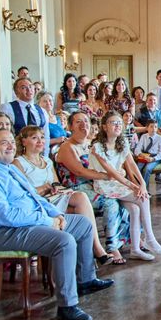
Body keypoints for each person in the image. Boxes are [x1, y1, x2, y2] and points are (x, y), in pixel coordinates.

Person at [0, 127, 114, 320]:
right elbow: (5, 215)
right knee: (64, 241)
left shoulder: (9, 170)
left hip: (31, 222)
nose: (10, 146)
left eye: (10, 141)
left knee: (83, 224)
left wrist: (56, 215)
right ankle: (67, 306)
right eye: (3, 143)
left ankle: (85, 280)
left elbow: (35, 198)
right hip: (6, 231)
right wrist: (47, 221)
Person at [12, 126, 112, 265]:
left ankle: (91, 254)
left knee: (81, 198)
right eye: (34, 138)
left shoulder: (46, 161)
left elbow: (56, 183)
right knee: (81, 214)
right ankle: (93, 254)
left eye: (41, 137)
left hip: (53, 199)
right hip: (37, 204)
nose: (40, 141)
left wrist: (55, 188)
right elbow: (22, 193)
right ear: (23, 142)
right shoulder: (18, 163)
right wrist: (44, 188)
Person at [89, 111, 161, 261]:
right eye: (113, 122)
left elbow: (131, 164)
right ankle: (150, 238)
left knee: (135, 208)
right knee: (143, 199)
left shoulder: (122, 142)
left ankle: (135, 249)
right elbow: (112, 173)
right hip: (106, 184)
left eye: (119, 123)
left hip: (119, 184)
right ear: (104, 126)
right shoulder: (98, 147)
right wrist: (134, 187)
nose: (117, 125)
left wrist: (142, 184)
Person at [56, 112, 130, 265]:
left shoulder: (92, 143)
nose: (84, 124)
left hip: (95, 184)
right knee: (111, 201)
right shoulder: (67, 146)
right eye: (78, 122)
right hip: (77, 188)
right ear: (70, 126)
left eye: (86, 121)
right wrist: (108, 176)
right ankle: (111, 246)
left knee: (126, 197)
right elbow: (79, 171)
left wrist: (115, 174)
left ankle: (130, 239)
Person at [0, 77, 50, 156]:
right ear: (16, 92)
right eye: (23, 87)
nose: (28, 90)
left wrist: (45, 156)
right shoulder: (7, 108)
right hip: (16, 154)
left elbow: (46, 135)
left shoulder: (42, 111)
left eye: (30, 86)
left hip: (38, 155)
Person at [133, 119, 161, 190]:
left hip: (155, 158)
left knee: (147, 168)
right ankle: (136, 187)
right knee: (137, 168)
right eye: (151, 127)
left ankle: (144, 189)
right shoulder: (143, 137)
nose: (153, 129)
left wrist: (153, 159)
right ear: (147, 128)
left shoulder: (160, 138)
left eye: (155, 127)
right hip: (144, 156)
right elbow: (137, 149)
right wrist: (142, 155)